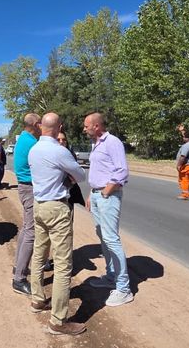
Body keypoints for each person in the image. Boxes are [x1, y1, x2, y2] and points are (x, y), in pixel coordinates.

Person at [28, 112, 87, 336]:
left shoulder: (34, 150)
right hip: (56, 208)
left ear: (41, 126)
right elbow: (80, 176)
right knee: (63, 264)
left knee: (39, 253)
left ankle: (37, 299)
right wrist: (68, 176)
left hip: (39, 206)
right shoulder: (59, 151)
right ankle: (58, 321)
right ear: (59, 127)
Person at [82, 112, 133, 307]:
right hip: (98, 195)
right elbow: (100, 172)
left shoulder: (112, 142)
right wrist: (92, 193)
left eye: (86, 125)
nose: (84, 129)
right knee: (103, 237)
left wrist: (106, 192)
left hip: (108, 196)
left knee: (111, 239)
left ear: (96, 126)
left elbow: (121, 170)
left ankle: (124, 289)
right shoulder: (96, 143)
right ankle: (111, 277)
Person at [12, 113, 41, 295]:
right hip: (29, 189)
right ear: (36, 124)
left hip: (25, 188)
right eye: (41, 123)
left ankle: (18, 267)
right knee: (31, 232)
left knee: (26, 229)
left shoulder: (24, 139)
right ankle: (19, 279)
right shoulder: (31, 143)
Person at [57, 131, 85, 206]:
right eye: (58, 140)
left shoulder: (70, 155)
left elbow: (77, 174)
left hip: (70, 192)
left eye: (64, 140)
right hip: (56, 195)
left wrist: (72, 181)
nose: (61, 142)